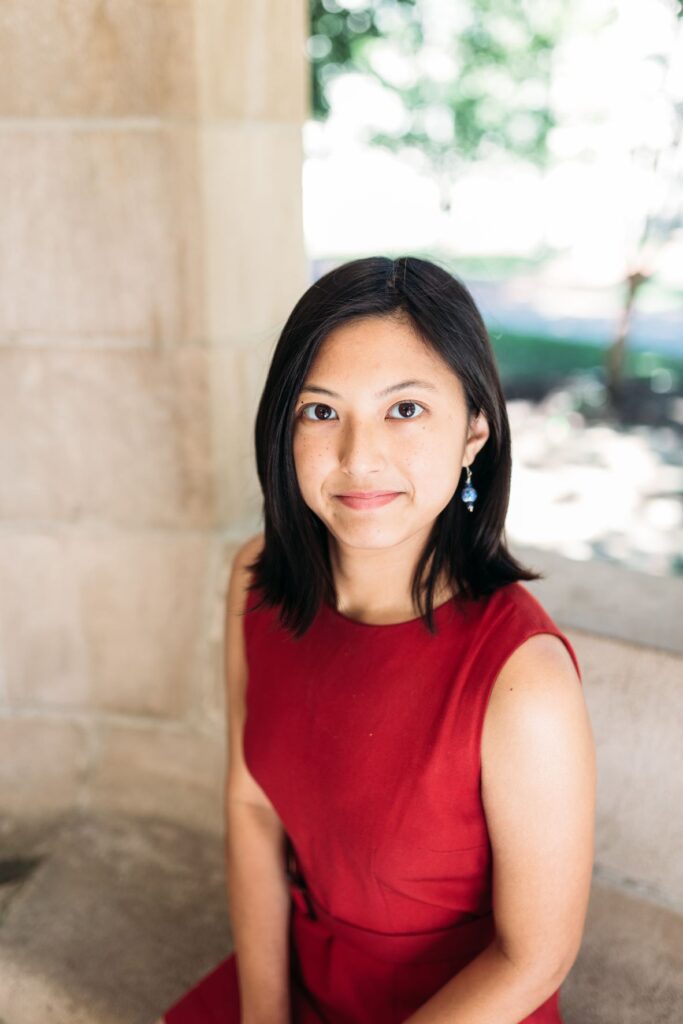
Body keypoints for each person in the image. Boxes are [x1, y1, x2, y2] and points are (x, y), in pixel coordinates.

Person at [155, 255, 596, 1024]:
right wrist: (266, 1015)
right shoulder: (256, 580)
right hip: (302, 973)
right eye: (321, 412)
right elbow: (252, 805)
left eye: (404, 410)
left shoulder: (523, 678)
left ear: (474, 431)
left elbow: (533, 958)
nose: (358, 457)